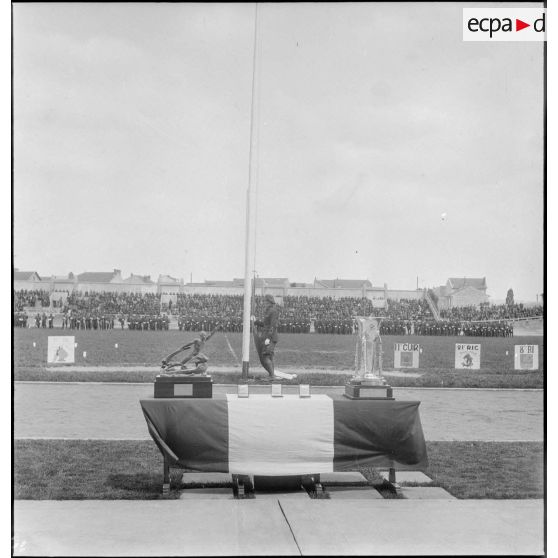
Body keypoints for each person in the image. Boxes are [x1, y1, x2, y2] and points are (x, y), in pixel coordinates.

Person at [252, 294, 280, 381]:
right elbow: (265, 324)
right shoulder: (268, 311)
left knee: (265, 356)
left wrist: (268, 338)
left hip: (270, 337)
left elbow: (273, 326)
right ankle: (271, 375)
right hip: (266, 336)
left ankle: (272, 376)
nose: (264, 303)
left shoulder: (273, 311)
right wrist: (255, 321)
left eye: (265, 301)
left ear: (270, 301)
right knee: (269, 357)